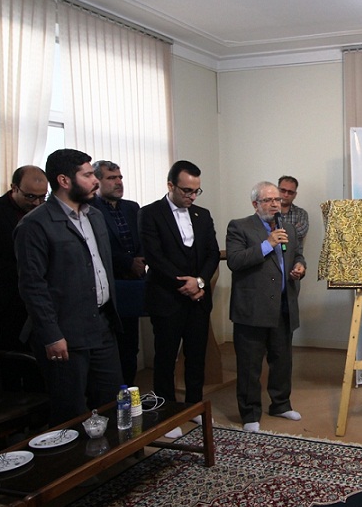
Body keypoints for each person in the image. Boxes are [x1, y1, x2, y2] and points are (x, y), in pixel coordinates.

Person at [14, 149, 123, 425]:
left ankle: (114, 453)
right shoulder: (35, 225)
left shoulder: (94, 215)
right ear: (64, 180)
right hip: (65, 332)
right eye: (87, 175)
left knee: (112, 403)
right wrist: (52, 335)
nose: (95, 181)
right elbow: (32, 286)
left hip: (102, 324)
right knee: (71, 412)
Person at [227, 181, 306, 432]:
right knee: (250, 365)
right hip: (252, 309)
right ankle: (250, 413)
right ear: (255, 204)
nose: (275, 204)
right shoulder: (239, 226)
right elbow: (235, 260)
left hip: (283, 306)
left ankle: (280, 404)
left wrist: (299, 267)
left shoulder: (288, 228)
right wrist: (267, 244)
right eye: (268, 200)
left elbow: (297, 254)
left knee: (282, 361)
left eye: (277, 200)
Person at [138, 160, 220, 406]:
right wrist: (186, 285)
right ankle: (166, 410)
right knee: (165, 358)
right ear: (170, 185)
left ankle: (194, 406)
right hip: (167, 298)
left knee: (196, 357)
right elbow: (155, 257)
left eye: (196, 191)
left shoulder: (203, 215)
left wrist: (200, 282)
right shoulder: (149, 213)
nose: (192, 196)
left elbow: (212, 254)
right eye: (187, 191)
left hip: (199, 300)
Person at [0, 165, 47, 353]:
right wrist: (31, 273)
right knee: (13, 356)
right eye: (30, 196)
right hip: (8, 298)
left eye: (42, 197)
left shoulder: (46, 211)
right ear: (14, 188)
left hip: (45, 299)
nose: (37, 203)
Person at [91, 160, 145, 387]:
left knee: (129, 345)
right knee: (109, 347)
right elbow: (98, 247)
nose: (118, 182)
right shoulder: (90, 209)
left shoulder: (131, 207)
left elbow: (142, 237)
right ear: (97, 181)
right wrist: (128, 262)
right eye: (111, 178)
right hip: (107, 283)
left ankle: (129, 392)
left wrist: (140, 260)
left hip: (132, 283)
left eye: (120, 177)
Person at [277, 175, 309, 250]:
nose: (286, 195)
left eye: (290, 192)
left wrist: (276, 233)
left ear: (295, 195)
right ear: (277, 190)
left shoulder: (301, 214)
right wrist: (291, 230)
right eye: (283, 190)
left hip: (293, 256)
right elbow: (262, 234)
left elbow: (301, 233)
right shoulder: (268, 212)